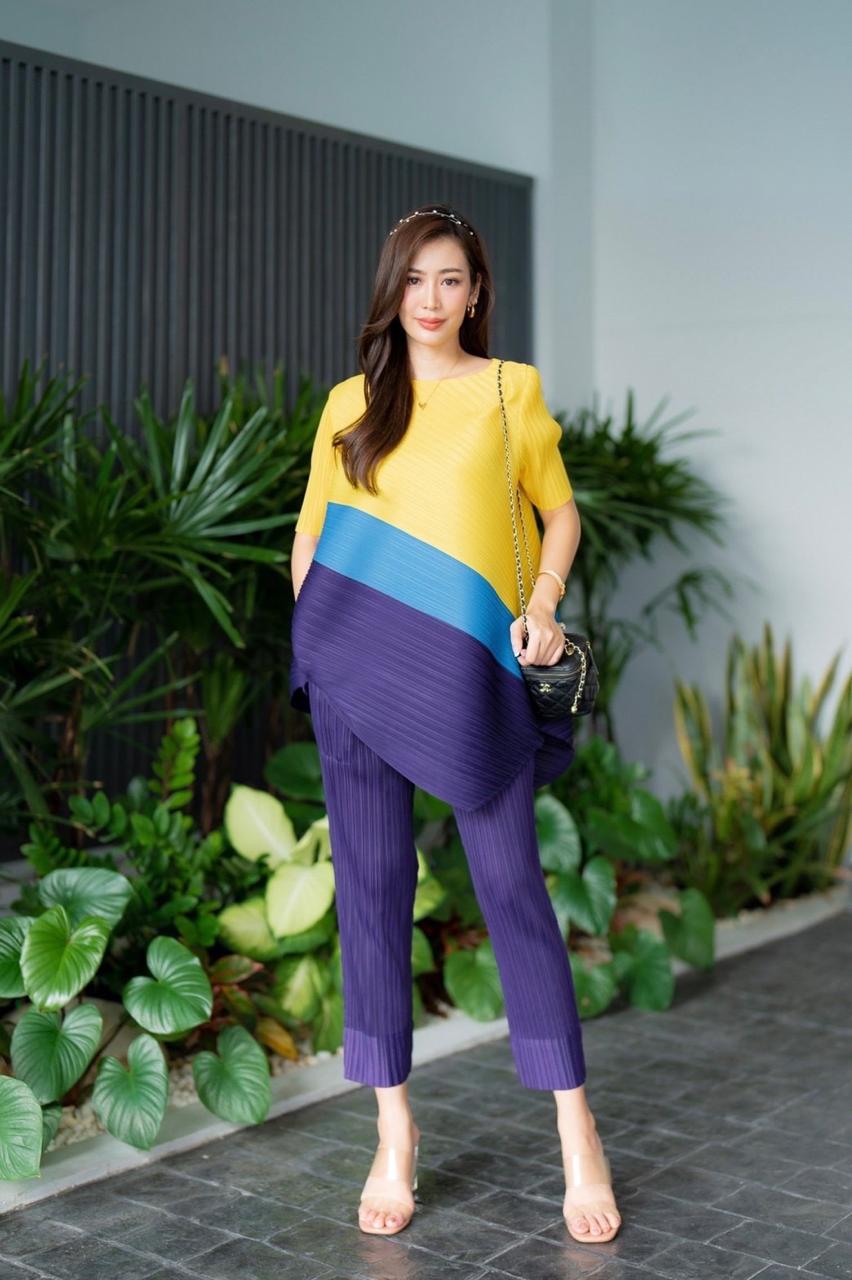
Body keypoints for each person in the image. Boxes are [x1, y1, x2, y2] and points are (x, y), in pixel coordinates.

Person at [289, 203, 621, 1244]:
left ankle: (576, 1128)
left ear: (477, 291)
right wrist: (316, 643)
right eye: (414, 279)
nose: (429, 299)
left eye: (449, 279)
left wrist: (545, 601)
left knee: (513, 887)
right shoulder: (350, 402)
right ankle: (394, 1130)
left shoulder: (509, 391)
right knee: (372, 893)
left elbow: (558, 512)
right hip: (351, 675)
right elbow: (311, 534)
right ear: (391, 289)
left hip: (469, 676)